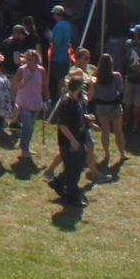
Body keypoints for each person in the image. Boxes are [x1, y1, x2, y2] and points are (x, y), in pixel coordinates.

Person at [48, 73, 93, 206]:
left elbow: (75, 119)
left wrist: (87, 119)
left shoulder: (75, 102)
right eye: (82, 88)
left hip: (78, 140)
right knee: (74, 171)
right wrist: (73, 140)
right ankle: (74, 199)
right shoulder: (67, 103)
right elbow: (62, 125)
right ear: (77, 88)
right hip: (69, 143)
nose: (84, 91)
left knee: (74, 167)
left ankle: (58, 183)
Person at [91, 53, 125, 172]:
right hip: (114, 105)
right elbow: (120, 90)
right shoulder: (116, 76)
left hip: (101, 106)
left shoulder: (95, 77)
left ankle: (107, 154)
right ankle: (122, 154)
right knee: (118, 132)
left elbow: (93, 93)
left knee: (105, 131)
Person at [11, 48, 47, 161]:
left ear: (36, 59)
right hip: (24, 101)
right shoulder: (22, 70)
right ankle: (24, 149)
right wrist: (24, 81)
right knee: (27, 125)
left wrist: (48, 99)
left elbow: (45, 86)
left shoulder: (41, 70)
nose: (28, 61)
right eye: (27, 59)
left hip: (36, 101)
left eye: (31, 59)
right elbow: (15, 86)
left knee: (31, 126)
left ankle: (24, 145)